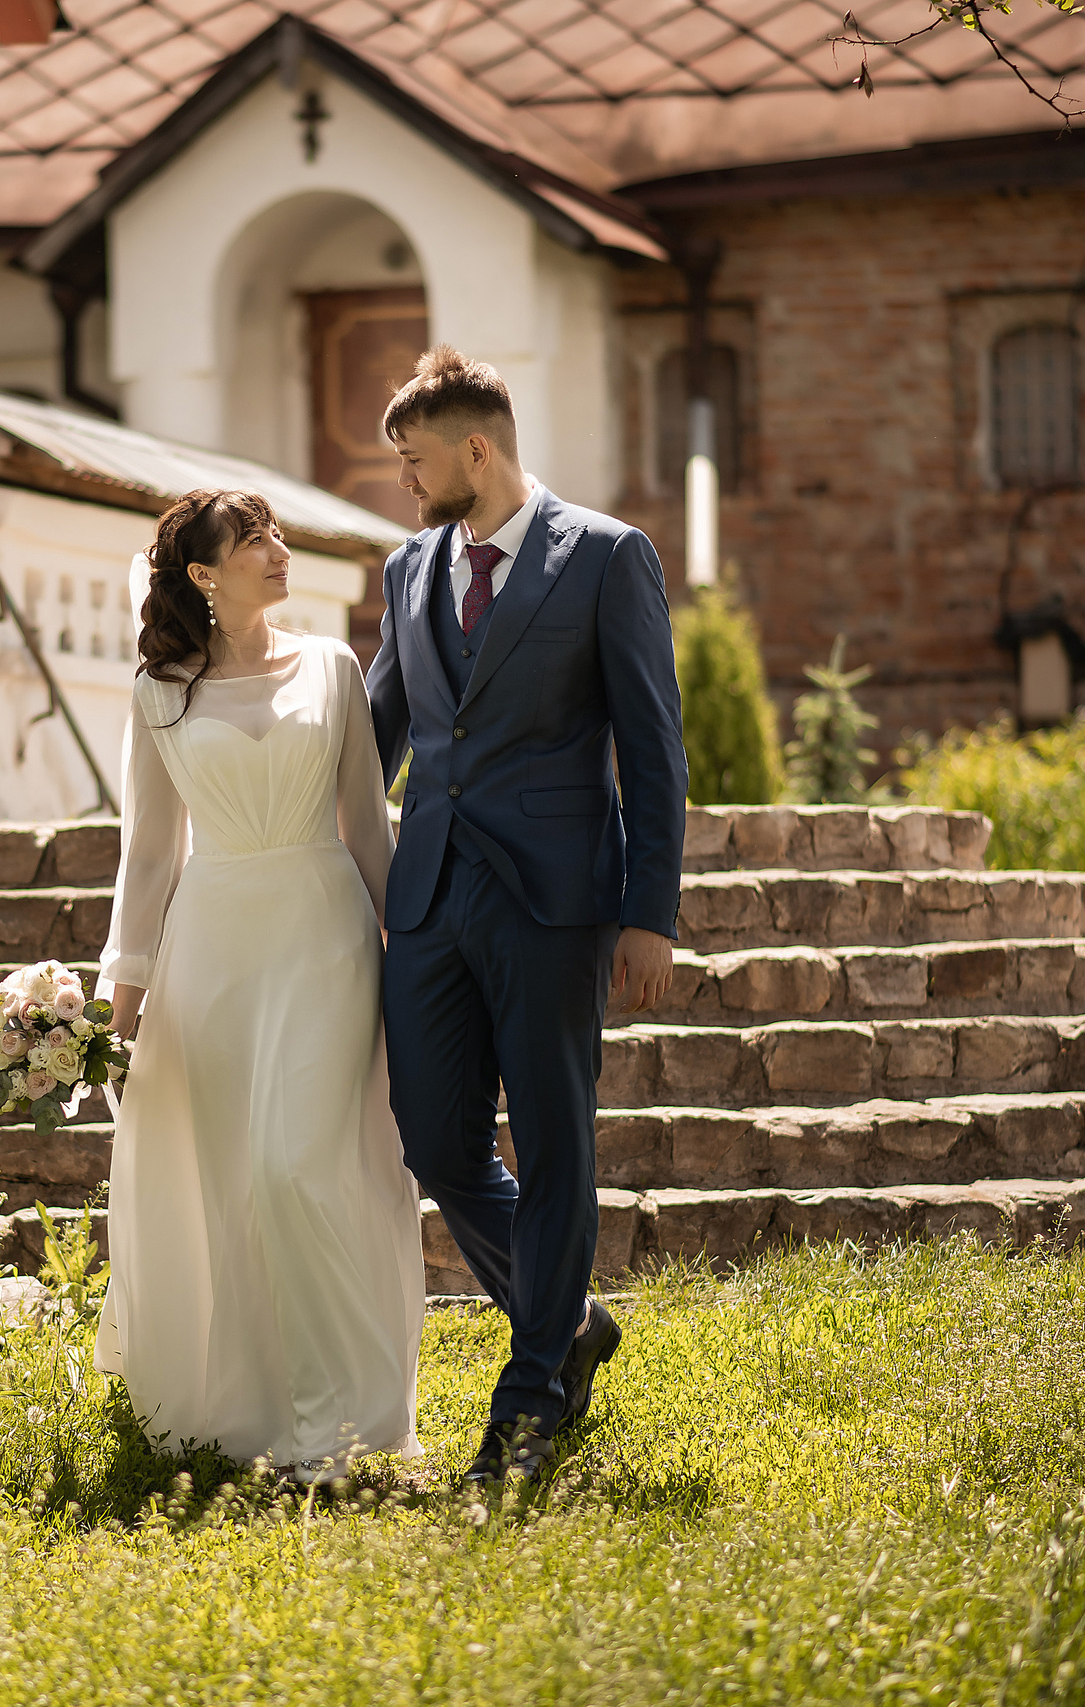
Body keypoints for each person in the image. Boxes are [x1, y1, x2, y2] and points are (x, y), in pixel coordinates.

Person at [364, 346, 689, 1487]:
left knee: (552, 1144)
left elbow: (652, 747)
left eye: (413, 461)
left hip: (557, 905)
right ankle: (575, 1319)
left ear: (476, 449)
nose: (405, 484)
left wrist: (648, 911)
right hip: (432, 898)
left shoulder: (605, 558)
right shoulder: (409, 570)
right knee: (435, 1138)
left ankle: (532, 1396)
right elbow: (374, 737)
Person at [95, 488, 425, 1482]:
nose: (278, 551)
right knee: (230, 1180)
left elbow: (369, 826)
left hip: (324, 937)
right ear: (202, 574)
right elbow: (148, 857)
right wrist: (121, 1003)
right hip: (212, 954)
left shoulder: (331, 667)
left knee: (296, 1168)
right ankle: (247, 1406)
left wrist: (411, 957)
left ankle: (339, 1425)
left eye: (276, 534)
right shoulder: (159, 692)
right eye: (253, 541)